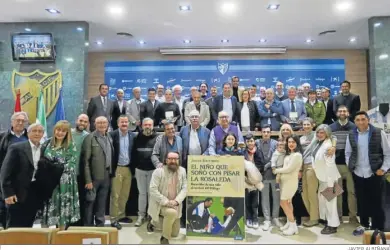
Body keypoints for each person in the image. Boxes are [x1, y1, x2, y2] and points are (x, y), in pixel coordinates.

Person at [345, 111, 390, 235]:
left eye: (363, 119)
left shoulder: (378, 132)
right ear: (354, 122)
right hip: (358, 173)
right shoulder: (351, 134)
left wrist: (384, 168)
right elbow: (348, 153)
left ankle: (378, 227)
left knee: (376, 201)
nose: (360, 122)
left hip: (375, 173)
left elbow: (387, 153)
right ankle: (364, 225)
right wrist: (351, 167)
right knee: (361, 201)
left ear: (368, 120)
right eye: (358, 120)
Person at [0, 123, 45, 228]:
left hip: (35, 193)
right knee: (14, 226)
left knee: (28, 226)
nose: (37, 133)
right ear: (28, 133)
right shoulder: (16, 148)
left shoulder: (44, 149)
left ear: (43, 134)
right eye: (34, 131)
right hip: (16, 193)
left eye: (40, 131)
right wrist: (7, 193)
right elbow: (5, 172)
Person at [41, 120, 79, 230]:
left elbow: (71, 164)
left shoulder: (71, 145)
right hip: (48, 183)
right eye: (58, 130)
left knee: (62, 211)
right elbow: (42, 162)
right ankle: (44, 239)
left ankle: (61, 236)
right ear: (54, 130)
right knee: (47, 208)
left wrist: (53, 167)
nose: (60, 133)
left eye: (63, 131)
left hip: (64, 183)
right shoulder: (47, 143)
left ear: (67, 133)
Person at [147, 152, 187, 245]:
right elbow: (152, 189)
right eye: (170, 159)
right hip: (161, 204)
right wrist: (166, 201)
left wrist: (177, 201)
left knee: (175, 234)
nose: (173, 161)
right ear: (166, 160)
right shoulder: (158, 171)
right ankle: (164, 238)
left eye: (175, 159)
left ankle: (154, 222)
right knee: (171, 213)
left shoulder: (182, 171)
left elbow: (185, 188)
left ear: (179, 160)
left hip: (175, 204)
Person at [82, 116, 113, 227]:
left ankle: (100, 224)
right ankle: (88, 226)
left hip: (106, 175)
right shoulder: (90, 138)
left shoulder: (109, 136)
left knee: (101, 202)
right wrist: (88, 180)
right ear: (95, 124)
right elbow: (85, 161)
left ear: (107, 124)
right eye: (99, 123)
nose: (102, 125)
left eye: (104, 122)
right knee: (90, 202)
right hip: (93, 178)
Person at [329, 106, 358, 224]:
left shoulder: (354, 127)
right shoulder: (331, 128)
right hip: (335, 166)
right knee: (337, 193)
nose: (342, 113)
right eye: (340, 111)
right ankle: (338, 217)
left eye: (344, 111)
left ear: (348, 113)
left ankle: (353, 217)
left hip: (350, 166)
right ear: (336, 113)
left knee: (352, 192)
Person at [311, 124, 341, 234]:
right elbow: (334, 137)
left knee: (331, 203)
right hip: (322, 178)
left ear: (327, 133)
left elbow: (330, 165)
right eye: (318, 132)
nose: (319, 134)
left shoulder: (328, 147)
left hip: (330, 178)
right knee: (323, 201)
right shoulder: (318, 142)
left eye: (322, 132)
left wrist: (330, 184)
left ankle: (333, 226)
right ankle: (327, 221)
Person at [0, 112, 29, 228]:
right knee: (4, 211)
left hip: (24, 182)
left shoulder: (30, 137)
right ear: (12, 122)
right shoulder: (2, 137)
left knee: (22, 213)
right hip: (6, 180)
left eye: (23, 121)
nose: (20, 123)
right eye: (18, 120)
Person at [109, 115, 135, 229]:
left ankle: (121, 215)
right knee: (115, 195)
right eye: (122, 122)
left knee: (124, 195)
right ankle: (113, 219)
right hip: (117, 168)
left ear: (128, 123)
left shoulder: (132, 135)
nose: (124, 124)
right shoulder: (112, 135)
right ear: (118, 123)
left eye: (126, 122)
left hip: (128, 169)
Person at [274, 135, 303, 236]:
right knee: (288, 203)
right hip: (284, 182)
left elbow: (289, 169)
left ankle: (293, 226)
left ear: (297, 143)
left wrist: (276, 170)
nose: (291, 144)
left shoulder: (297, 155)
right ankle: (289, 223)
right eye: (289, 142)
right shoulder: (289, 154)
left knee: (283, 203)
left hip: (290, 182)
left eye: (293, 142)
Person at [132, 118, 158, 227]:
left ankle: (151, 216)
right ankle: (141, 216)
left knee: (152, 194)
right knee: (142, 194)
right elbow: (133, 153)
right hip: (140, 169)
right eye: (145, 124)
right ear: (142, 126)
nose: (147, 126)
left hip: (153, 170)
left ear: (153, 126)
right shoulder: (137, 137)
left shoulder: (158, 138)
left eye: (149, 124)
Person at [257, 125, 280, 231]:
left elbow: (278, 156)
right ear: (261, 133)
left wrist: (268, 165)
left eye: (268, 132)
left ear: (270, 133)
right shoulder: (257, 143)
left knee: (276, 197)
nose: (266, 134)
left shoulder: (275, 144)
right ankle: (267, 220)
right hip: (262, 176)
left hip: (275, 175)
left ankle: (275, 217)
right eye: (264, 132)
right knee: (264, 198)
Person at [70, 114, 89, 226]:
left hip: (80, 175)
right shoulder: (67, 133)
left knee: (80, 201)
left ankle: (79, 226)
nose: (82, 123)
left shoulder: (88, 136)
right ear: (77, 120)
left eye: (85, 122)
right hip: (67, 175)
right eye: (81, 120)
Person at [299, 118, 319, 227]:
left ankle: (314, 218)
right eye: (304, 124)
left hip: (313, 165)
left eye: (308, 124)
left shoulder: (317, 135)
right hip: (304, 166)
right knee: (304, 193)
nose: (306, 126)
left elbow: (332, 136)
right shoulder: (301, 138)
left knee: (312, 193)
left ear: (313, 125)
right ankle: (313, 215)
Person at [243, 134, 265, 229]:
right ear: (246, 143)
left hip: (255, 181)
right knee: (247, 201)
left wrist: (255, 175)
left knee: (255, 202)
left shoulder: (258, 152)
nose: (250, 143)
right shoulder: (243, 152)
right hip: (246, 180)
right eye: (248, 141)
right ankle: (249, 218)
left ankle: (255, 219)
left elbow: (261, 164)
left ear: (254, 142)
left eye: (251, 141)